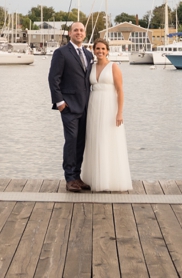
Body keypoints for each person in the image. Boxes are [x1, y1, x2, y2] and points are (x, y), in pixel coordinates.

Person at [80, 37, 132, 192]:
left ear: (108, 51)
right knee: (95, 139)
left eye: (103, 49)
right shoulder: (91, 67)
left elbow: (120, 90)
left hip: (110, 106)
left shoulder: (114, 67)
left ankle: (110, 179)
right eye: (97, 49)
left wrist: (119, 112)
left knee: (109, 140)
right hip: (94, 106)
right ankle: (94, 178)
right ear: (93, 51)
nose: (100, 51)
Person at [47, 21, 93, 192]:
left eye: (81, 30)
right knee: (71, 140)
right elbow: (53, 79)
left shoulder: (88, 54)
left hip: (86, 106)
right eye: (75, 30)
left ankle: (77, 176)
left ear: (85, 33)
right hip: (68, 106)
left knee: (81, 142)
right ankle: (69, 178)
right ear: (70, 33)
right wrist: (59, 102)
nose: (79, 33)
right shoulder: (61, 53)